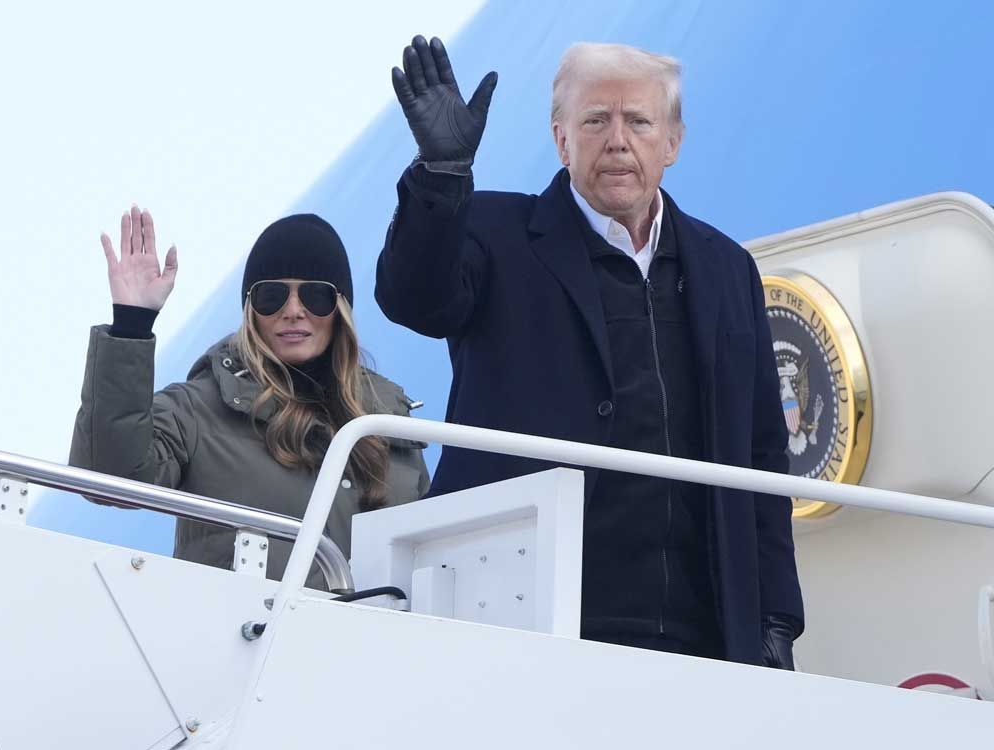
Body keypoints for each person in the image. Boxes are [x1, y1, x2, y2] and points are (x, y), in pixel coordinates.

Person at [376, 37, 802, 667]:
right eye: (595, 120)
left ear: (673, 142)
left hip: (701, 633)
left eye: (638, 120)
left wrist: (775, 620)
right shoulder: (493, 233)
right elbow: (413, 298)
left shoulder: (726, 268)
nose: (618, 140)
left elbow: (763, 453)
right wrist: (441, 177)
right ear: (561, 139)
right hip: (528, 616)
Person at [71, 206, 429, 588]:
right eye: (272, 295)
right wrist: (131, 325)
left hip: (379, 643)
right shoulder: (198, 408)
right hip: (244, 640)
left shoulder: (389, 423)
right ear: (249, 309)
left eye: (316, 295)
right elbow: (108, 476)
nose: (293, 310)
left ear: (340, 308)